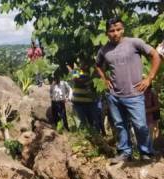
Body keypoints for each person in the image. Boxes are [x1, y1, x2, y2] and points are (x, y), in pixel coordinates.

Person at [96, 17, 161, 163]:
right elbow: (98, 65)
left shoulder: (134, 43)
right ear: (107, 33)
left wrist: (149, 78)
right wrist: (105, 79)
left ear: (123, 29)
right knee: (120, 125)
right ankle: (125, 153)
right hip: (114, 96)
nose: (115, 33)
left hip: (134, 94)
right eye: (112, 31)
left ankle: (146, 153)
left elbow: (155, 55)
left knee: (140, 125)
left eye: (118, 29)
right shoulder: (104, 50)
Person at [68, 63, 101, 132]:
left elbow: (78, 81)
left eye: (85, 63)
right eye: (82, 64)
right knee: (83, 124)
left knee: (94, 123)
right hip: (78, 103)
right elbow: (76, 80)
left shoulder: (92, 73)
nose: (84, 65)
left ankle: (96, 138)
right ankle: (88, 138)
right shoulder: (79, 73)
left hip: (90, 103)